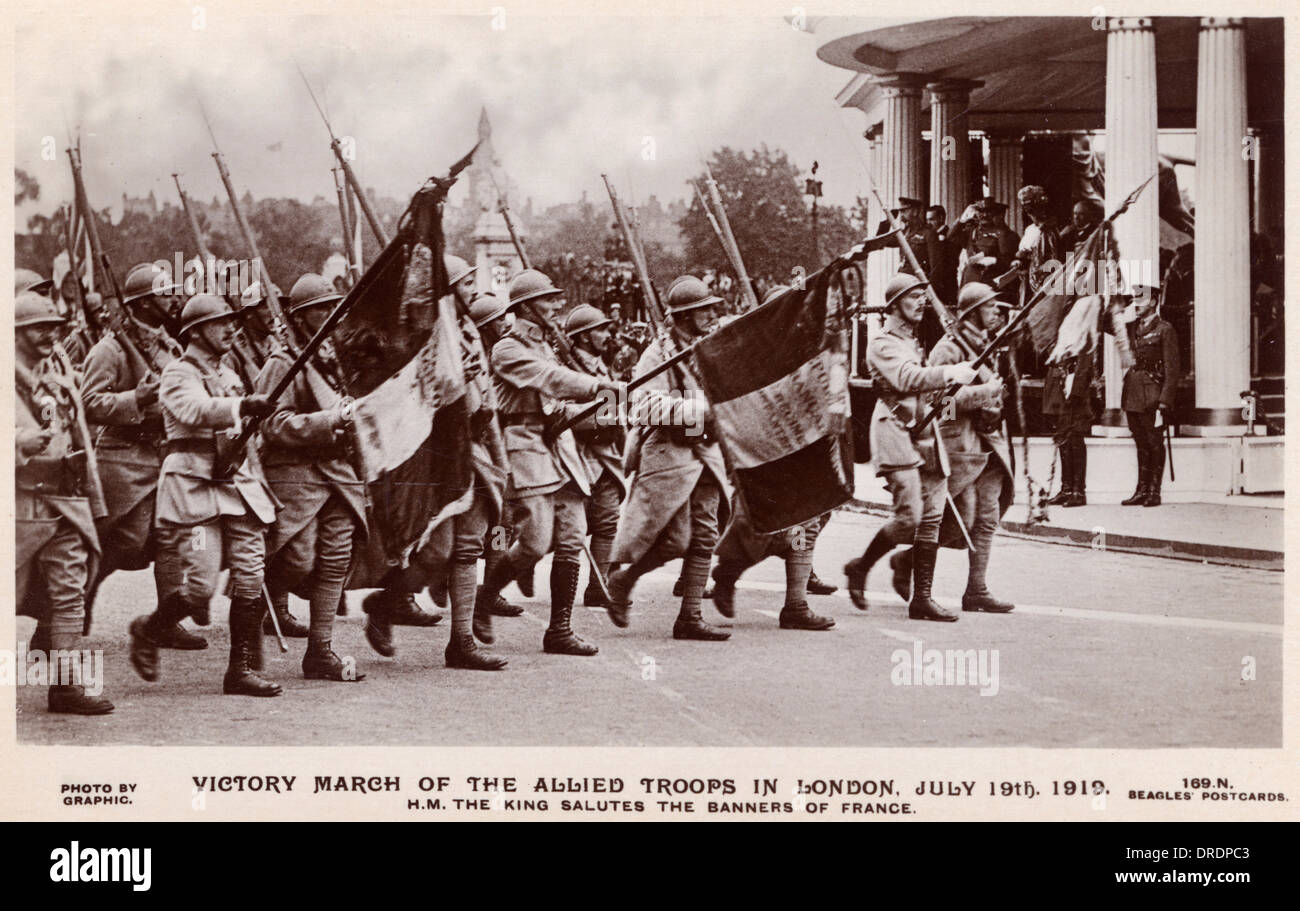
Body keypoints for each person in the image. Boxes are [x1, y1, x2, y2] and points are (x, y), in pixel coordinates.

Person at [127, 294, 281, 696]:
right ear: (196, 331)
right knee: (200, 585)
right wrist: (244, 405)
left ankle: (241, 670)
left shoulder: (229, 374)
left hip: (237, 487)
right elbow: (195, 411)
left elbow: (242, 434)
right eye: (220, 323)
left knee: (251, 575)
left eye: (232, 322)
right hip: (195, 492)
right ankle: (150, 628)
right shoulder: (177, 373)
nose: (231, 329)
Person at [474, 268, 622, 656]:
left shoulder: (545, 345)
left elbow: (558, 400)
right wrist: (599, 387)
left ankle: (560, 630)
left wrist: (601, 406)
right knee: (535, 542)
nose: (557, 305)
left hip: (559, 446)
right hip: (524, 445)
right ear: (525, 307)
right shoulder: (507, 349)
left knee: (573, 537)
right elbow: (550, 379)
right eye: (548, 300)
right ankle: (484, 597)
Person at [81, 262, 203, 650]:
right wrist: (137, 397)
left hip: (164, 455)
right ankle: (72, 605)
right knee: (121, 543)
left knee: (171, 539)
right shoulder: (110, 348)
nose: (174, 299)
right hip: (124, 458)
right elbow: (90, 403)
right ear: (143, 303)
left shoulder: (170, 345)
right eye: (165, 294)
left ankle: (165, 621)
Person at [842, 273, 976, 621]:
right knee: (909, 517)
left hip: (925, 432)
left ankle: (923, 598)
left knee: (931, 517)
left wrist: (953, 397)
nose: (921, 302)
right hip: (895, 431)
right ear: (894, 305)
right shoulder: (882, 344)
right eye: (913, 296)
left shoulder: (914, 342)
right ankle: (860, 567)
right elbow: (906, 379)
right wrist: (950, 373)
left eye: (922, 296)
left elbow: (929, 392)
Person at [605, 275, 732, 641]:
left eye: (711, 308)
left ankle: (690, 616)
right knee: (675, 540)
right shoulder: (657, 355)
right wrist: (701, 409)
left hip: (706, 450)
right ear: (684, 316)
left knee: (706, 535)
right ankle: (623, 580)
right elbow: (643, 405)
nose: (711, 315)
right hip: (670, 454)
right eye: (702, 310)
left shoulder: (710, 347)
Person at [255, 274, 369, 681]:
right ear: (302, 317)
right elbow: (272, 423)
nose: (330, 316)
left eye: (333, 308)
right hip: (296, 473)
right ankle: (254, 605)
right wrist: (328, 420)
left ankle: (321, 651)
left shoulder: (334, 358)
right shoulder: (282, 363)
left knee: (337, 558)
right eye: (320, 309)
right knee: (298, 559)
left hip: (339, 471)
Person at [15, 290, 115, 715]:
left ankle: (66, 686)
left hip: (65, 499)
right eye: (38, 328)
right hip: (19, 505)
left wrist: (91, 492)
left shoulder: (56, 374)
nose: (49, 335)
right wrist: (20, 442)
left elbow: (79, 432)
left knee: (70, 592)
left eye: (54, 327)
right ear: (16, 333)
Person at [918, 282, 1017, 613]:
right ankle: (908, 562)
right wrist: (982, 394)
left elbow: (993, 394)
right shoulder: (948, 350)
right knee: (960, 518)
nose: (996, 313)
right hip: (960, 446)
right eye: (990, 308)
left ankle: (977, 589)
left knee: (988, 517)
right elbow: (938, 404)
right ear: (973, 312)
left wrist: (993, 402)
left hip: (988, 443)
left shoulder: (987, 346)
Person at [563, 304, 628, 608]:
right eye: (600, 330)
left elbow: (616, 409)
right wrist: (608, 417)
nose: (606, 335)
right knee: (562, 533)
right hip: (575, 456)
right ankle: (502, 579)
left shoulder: (602, 366)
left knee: (607, 523)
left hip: (605, 457)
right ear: (585, 337)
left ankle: (597, 586)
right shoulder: (564, 367)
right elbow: (562, 414)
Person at [1121, 285, 1180, 507]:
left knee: (1154, 442)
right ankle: (1141, 489)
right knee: (1140, 443)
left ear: (1154, 302)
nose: (1136, 303)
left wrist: (1165, 400)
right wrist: (1118, 306)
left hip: (1152, 393)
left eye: (1141, 299)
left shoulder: (1164, 329)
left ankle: (1154, 491)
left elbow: (1173, 369)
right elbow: (1109, 324)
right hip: (1133, 392)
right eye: (1134, 298)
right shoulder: (1132, 328)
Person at [1042, 295, 1101, 507]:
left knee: (1075, 441)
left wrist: (1074, 393)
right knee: (1063, 441)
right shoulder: (1066, 334)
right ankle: (1066, 488)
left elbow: (1084, 368)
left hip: (1075, 396)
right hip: (1060, 392)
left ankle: (1078, 491)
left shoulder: (1086, 336)